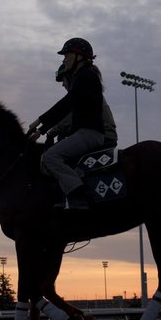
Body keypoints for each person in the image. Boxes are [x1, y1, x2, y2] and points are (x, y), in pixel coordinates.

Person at [26, 37, 109, 210]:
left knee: (50, 157)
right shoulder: (85, 75)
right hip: (86, 133)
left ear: (79, 57)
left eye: (67, 55)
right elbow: (66, 110)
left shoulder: (85, 76)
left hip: (89, 134)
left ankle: (77, 195)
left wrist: (40, 121)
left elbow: (66, 104)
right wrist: (42, 130)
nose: (64, 59)